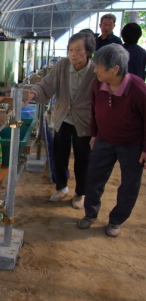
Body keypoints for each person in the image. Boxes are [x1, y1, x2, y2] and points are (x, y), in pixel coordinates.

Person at [77, 44, 146, 237]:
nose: (95, 69)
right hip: (104, 139)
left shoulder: (139, 89)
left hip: (131, 144)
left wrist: (145, 149)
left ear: (115, 69)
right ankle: (90, 214)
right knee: (94, 178)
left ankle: (116, 220)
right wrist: (94, 134)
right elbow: (94, 111)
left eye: (99, 66)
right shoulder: (97, 85)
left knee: (129, 184)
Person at [24, 32, 96, 209]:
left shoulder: (95, 70)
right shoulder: (63, 65)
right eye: (70, 49)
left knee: (83, 158)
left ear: (88, 51)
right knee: (59, 154)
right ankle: (62, 187)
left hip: (85, 121)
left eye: (78, 50)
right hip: (63, 118)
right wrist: (33, 93)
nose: (73, 54)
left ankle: (80, 192)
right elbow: (46, 84)